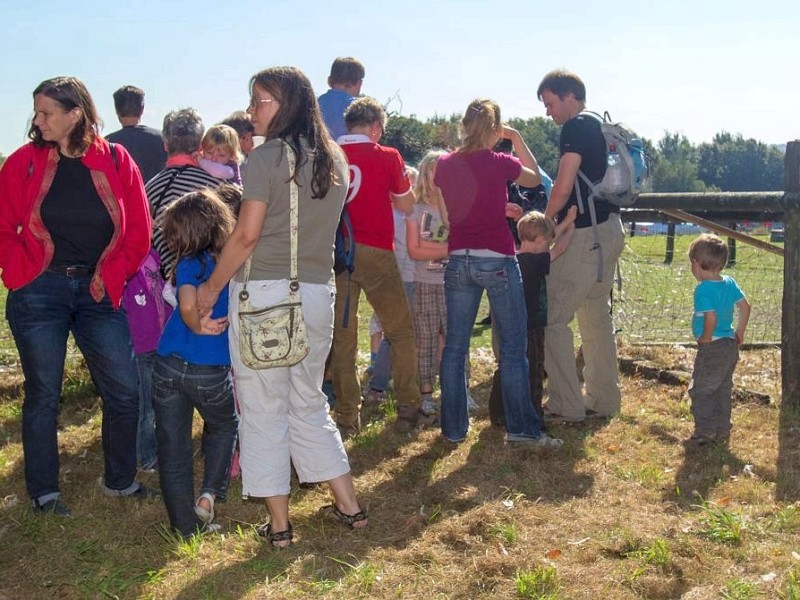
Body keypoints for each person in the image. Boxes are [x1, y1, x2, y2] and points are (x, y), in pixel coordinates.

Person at [196, 66, 367, 548]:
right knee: (309, 401)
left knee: (263, 408)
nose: (252, 111)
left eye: (261, 100)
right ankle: (350, 508)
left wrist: (210, 288)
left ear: (287, 103)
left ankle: (279, 525)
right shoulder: (332, 156)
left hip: (265, 297)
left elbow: (246, 234)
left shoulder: (267, 157)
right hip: (317, 294)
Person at [0, 76, 155, 516]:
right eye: (37, 111)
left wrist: (114, 275)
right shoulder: (22, 163)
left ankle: (121, 481)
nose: (38, 120)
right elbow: (3, 226)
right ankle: (45, 493)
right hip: (39, 291)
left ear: (76, 114)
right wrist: (20, 272)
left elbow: (139, 233)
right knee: (43, 394)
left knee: (125, 392)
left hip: (97, 291)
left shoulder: (117, 160)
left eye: (47, 112)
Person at [433, 98, 560, 447]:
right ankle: (522, 429)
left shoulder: (443, 165)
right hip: (498, 258)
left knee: (456, 348)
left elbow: (448, 219)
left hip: (460, 258)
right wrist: (517, 139)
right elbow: (535, 179)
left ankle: (453, 428)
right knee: (514, 347)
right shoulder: (501, 161)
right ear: (494, 130)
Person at [331, 96, 428, 437]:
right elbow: (406, 203)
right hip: (376, 250)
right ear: (374, 127)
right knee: (400, 331)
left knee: (342, 338)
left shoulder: (329, 155)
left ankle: (346, 415)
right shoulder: (386, 155)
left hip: (339, 253)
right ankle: (408, 407)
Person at [537, 69, 626, 423]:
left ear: (569, 96)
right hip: (611, 229)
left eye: (550, 103)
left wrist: (544, 222)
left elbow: (563, 184)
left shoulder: (575, 129)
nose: (549, 112)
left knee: (552, 318)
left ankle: (565, 404)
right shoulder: (600, 125)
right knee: (595, 318)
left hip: (586, 235)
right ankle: (603, 400)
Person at [153, 189, 238, 537]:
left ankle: (183, 527)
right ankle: (207, 496)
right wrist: (200, 326)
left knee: (173, 446)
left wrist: (191, 324)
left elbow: (186, 301)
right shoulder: (230, 264)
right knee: (223, 426)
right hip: (211, 371)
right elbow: (189, 305)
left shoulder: (190, 263)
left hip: (168, 364)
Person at [488, 208, 576, 426]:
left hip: (508, 325)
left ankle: (499, 413)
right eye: (546, 241)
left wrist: (562, 223)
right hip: (532, 326)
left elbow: (549, 236)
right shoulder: (536, 262)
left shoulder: (514, 258)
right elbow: (560, 248)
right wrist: (571, 228)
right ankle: (533, 414)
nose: (549, 245)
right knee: (534, 371)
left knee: (506, 366)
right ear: (538, 241)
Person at [686, 233, 750, 446]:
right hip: (730, 344)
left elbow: (710, 317)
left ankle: (705, 432)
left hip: (712, 346)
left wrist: (705, 337)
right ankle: (723, 428)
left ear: (696, 264)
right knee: (722, 387)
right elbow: (745, 307)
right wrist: (739, 332)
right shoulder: (729, 282)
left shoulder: (703, 289)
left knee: (702, 390)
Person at [146, 108, 226, 278]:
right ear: (199, 146)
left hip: (167, 284)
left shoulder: (148, 190)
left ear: (166, 144)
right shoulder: (218, 186)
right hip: (213, 283)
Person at [404, 152, 450, 415]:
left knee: (455, 339)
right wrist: (448, 247)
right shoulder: (416, 210)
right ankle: (426, 393)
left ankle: (459, 390)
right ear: (424, 175)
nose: (439, 177)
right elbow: (414, 251)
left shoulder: (455, 208)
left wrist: (429, 246)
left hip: (453, 283)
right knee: (426, 339)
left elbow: (424, 246)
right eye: (434, 171)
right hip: (424, 283)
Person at [106, 85, 167, 183]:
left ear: (116, 110)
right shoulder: (162, 139)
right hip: (156, 196)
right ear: (142, 109)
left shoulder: (106, 144)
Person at [318, 57, 365, 141]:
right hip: (346, 153)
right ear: (359, 83)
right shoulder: (358, 108)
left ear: (329, 81)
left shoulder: (314, 104)